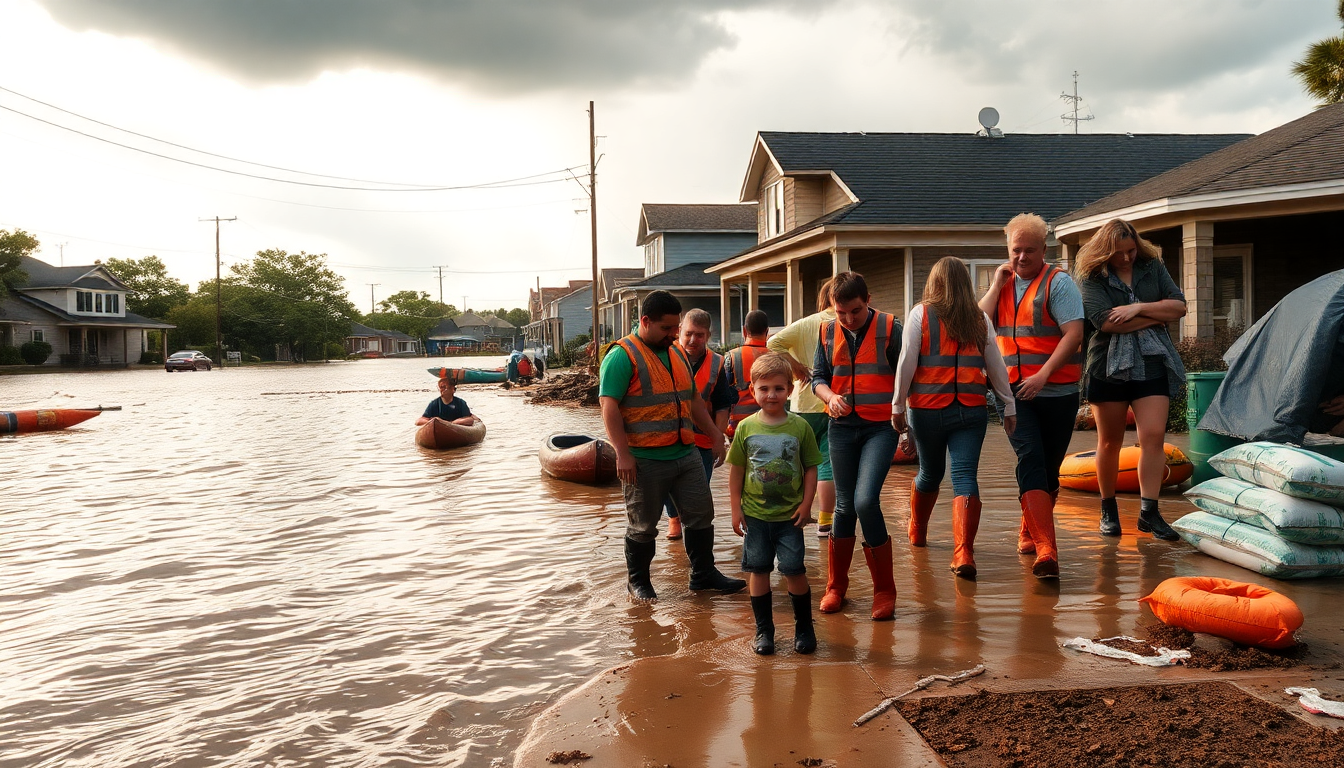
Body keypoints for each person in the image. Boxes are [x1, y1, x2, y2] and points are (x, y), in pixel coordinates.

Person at [599, 290, 746, 601]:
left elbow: (693, 399)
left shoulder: (676, 353)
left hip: (686, 453)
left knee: (701, 515)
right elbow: (608, 406)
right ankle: (638, 583)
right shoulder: (622, 356)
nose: (673, 334)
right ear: (645, 321)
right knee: (643, 526)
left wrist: (715, 435)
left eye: (675, 328)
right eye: (666, 328)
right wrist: (622, 454)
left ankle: (703, 575)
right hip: (644, 458)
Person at [895, 257, 1016, 581]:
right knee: (964, 476)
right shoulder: (980, 319)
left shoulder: (920, 315)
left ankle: (917, 530)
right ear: (965, 283)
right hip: (970, 411)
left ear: (934, 283)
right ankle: (963, 552)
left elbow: (906, 363)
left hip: (927, 410)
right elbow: (996, 366)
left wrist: (897, 406)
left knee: (930, 473)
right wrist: (1009, 406)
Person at [978, 214, 1085, 579]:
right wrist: (996, 285)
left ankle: (1029, 528)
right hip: (1013, 393)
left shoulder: (1059, 284)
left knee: (1050, 468)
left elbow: (1074, 334)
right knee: (1031, 458)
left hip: (1058, 391)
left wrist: (1043, 375)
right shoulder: (1003, 283)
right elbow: (978, 324)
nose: (1021, 257)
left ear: (1044, 250)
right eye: (1015, 250)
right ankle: (1047, 551)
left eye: (1029, 250)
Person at [1075, 218, 1188, 540]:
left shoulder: (1152, 267)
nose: (1126, 258)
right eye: (1119, 252)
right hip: (1107, 366)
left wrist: (1137, 308)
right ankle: (1108, 509)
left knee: (1153, 436)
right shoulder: (1090, 276)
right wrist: (1154, 318)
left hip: (1152, 362)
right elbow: (1106, 323)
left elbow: (1179, 307)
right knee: (1109, 442)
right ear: (1105, 251)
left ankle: (1149, 513)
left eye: (1131, 250)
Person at [811, 271, 902, 620]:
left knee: (865, 501)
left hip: (881, 427)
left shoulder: (891, 328)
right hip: (841, 428)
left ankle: (885, 591)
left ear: (868, 300)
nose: (848, 319)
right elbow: (818, 378)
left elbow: (908, 374)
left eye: (856, 311)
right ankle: (836, 587)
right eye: (841, 312)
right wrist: (829, 397)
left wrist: (906, 421)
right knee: (845, 507)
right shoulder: (826, 331)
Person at [728, 353, 823, 655]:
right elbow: (737, 471)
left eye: (779, 388)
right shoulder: (745, 427)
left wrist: (807, 505)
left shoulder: (800, 427)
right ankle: (764, 630)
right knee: (758, 570)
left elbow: (811, 467)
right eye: (764, 388)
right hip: (755, 516)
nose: (771, 395)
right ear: (752, 389)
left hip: (790, 517)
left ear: (790, 390)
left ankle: (804, 628)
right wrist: (735, 508)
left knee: (794, 570)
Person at [768, 279, 839, 539]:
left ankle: (789, 518)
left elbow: (773, 342)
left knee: (795, 464)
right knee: (827, 466)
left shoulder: (807, 323)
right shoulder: (846, 322)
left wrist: (796, 367)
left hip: (802, 406)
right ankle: (825, 523)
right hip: (833, 403)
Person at [663, 309, 735, 541]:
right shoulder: (666, 356)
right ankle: (674, 518)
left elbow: (722, 405)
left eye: (700, 335)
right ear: (680, 331)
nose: (693, 340)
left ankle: (693, 530)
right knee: (667, 484)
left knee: (699, 488)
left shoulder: (717, 363)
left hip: (702, 440)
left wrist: (718, 439)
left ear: (708, 336)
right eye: (689, 334)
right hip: (668, 437)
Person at [725, 310, 771, 437]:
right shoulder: (776, 358)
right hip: (768, 424)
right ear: (767, 331)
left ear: (744, 331)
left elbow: (723, 393)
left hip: (738, 427)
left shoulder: (732, 356)